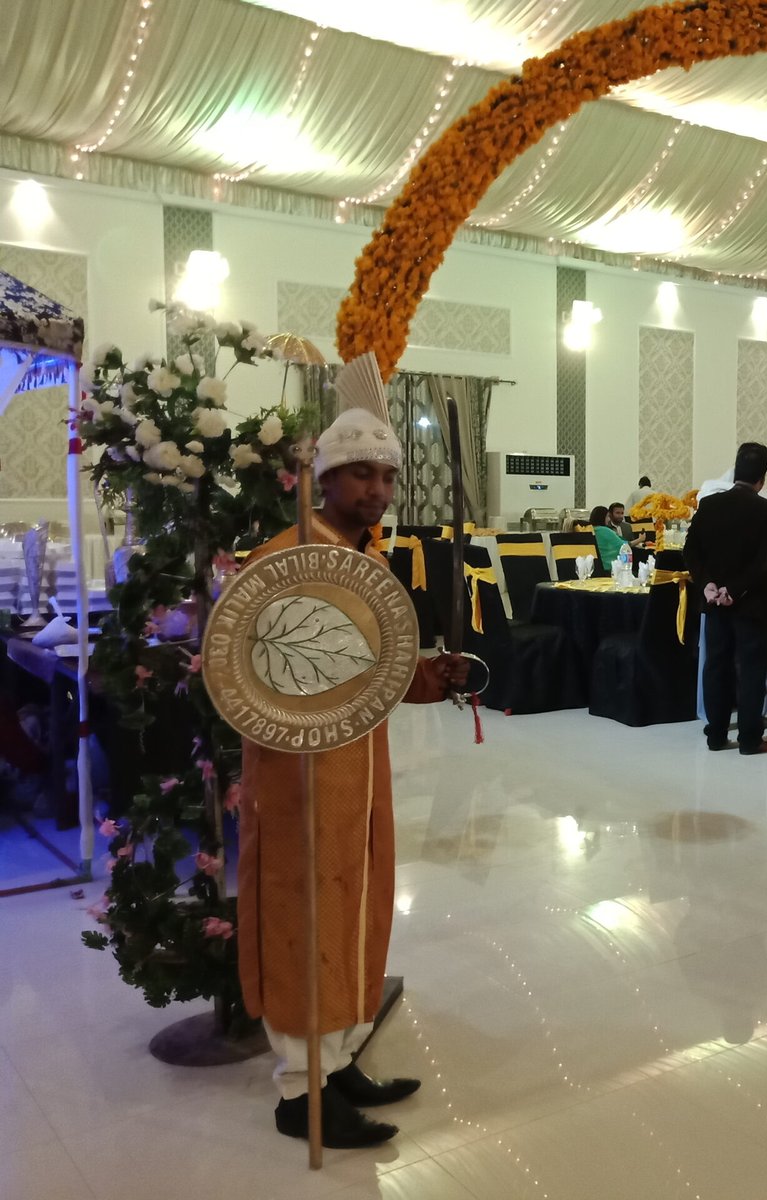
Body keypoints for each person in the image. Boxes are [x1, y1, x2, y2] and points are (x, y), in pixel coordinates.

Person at [235, 353, 470, 1149]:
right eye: (361, 474)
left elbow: (374, 671)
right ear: (327, 479)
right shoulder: (284, 557)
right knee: (304, 919)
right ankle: (299, 1093)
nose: (376, 490)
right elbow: (248, 673)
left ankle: (335, 1063)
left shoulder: (366, 559)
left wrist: (428, 677)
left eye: (387, 477)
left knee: (353, 910)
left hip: (360, 776)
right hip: (298, 780)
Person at [685, 442, 767, 755]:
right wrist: (735, 589)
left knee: (716, 666)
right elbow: (766, 560)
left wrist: (708, 585)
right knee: (751, 671)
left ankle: (716, 735)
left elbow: (691, 551)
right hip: (752, 604)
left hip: (714, 602)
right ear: (761, 480)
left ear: (735, 472)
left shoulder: (709, 505)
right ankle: (749, 739)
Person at [589, 505, 627, 570]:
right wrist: (640, 539)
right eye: (608, 516)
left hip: (596, 567)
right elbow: (622, 545)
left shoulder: (590, 529)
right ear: (602, 517)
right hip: (609, 567)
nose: (609, 519)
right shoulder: (604, 530)